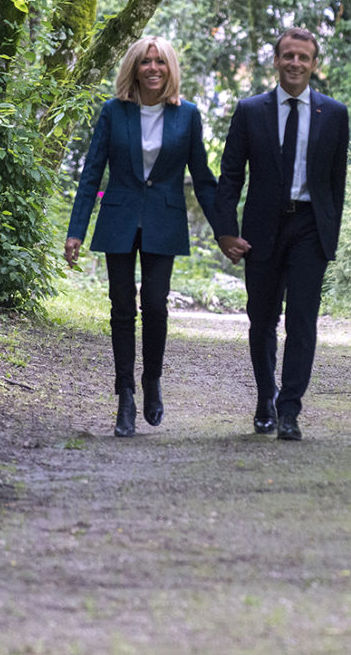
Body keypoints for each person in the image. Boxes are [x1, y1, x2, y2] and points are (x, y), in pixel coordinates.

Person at [65, 35, 220, 437]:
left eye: (161, 62)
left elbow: (202, 179)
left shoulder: (187, 115)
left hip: (163, 221)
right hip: (118, 218)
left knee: (154, 305)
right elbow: (92, 173)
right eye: (146, 62)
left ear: (170, 69)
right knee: (121, 308)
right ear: (133, 68)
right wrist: (75, 231)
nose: (153, 68)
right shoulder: (113, 112)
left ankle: (152, 380)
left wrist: (225, 232)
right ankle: (125, 396)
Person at [214, 27, 349, 441]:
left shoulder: (335, 114)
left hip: (310, 228)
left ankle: (290, 409)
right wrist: (225, 232)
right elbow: (231, 176)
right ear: (276, 60)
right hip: (262, 229)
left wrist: (330, 236)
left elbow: (336, 183)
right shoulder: (251, 110)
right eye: (287, 56)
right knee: (262, 319)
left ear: (314, 64)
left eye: (303, 58)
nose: (295, 64)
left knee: (303, 320)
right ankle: (265, 398)